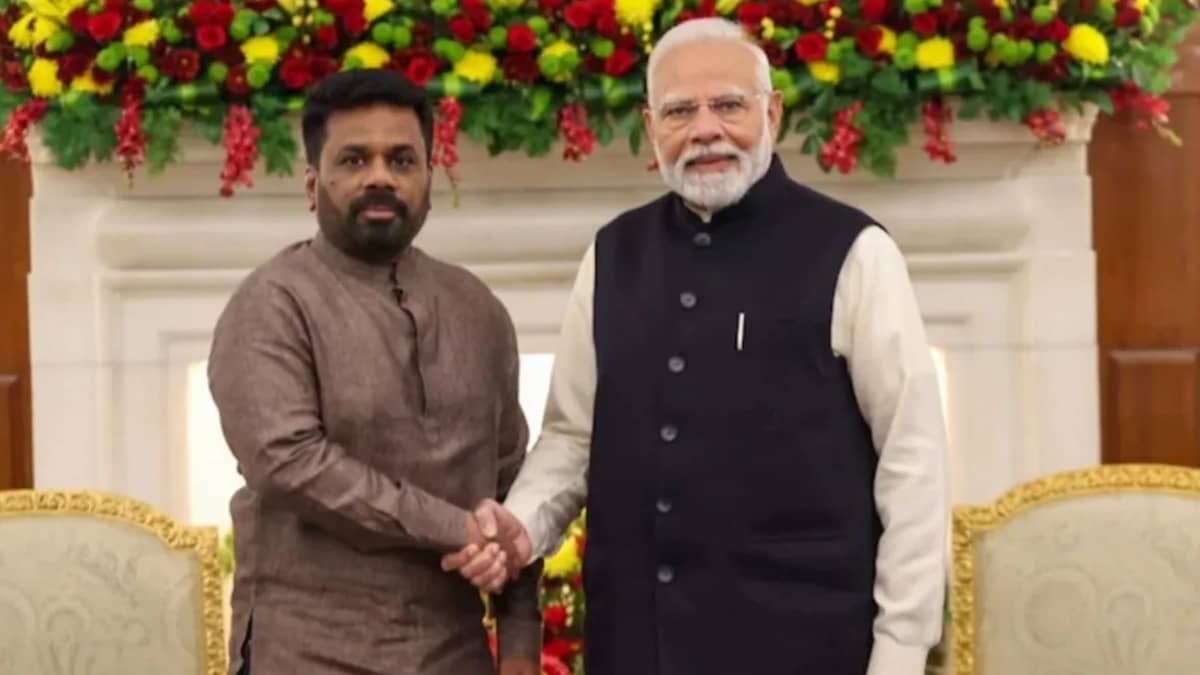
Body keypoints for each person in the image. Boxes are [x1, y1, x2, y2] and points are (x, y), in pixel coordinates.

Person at [442, 16, 949, 675]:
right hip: (636, 646)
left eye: (729, 105)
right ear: (651, 127)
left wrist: (901, 651)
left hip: (807, 645)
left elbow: (912, 459)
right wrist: (522, 525)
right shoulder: (613, 253)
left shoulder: (855, 251)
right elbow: (573, 436)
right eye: (680, 111)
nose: (705, 129)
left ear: (772, 112)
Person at [208, 68, 541, 675]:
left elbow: (511, 482)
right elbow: (288, 463)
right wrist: (457, 528)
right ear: (313, 185)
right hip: (309, 651)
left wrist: (519, 648)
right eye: (355, 160)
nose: (381, 176)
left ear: (429, 180)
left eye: (402, 160)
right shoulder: (272, 303)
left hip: (455, 652)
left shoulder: (477, 308)